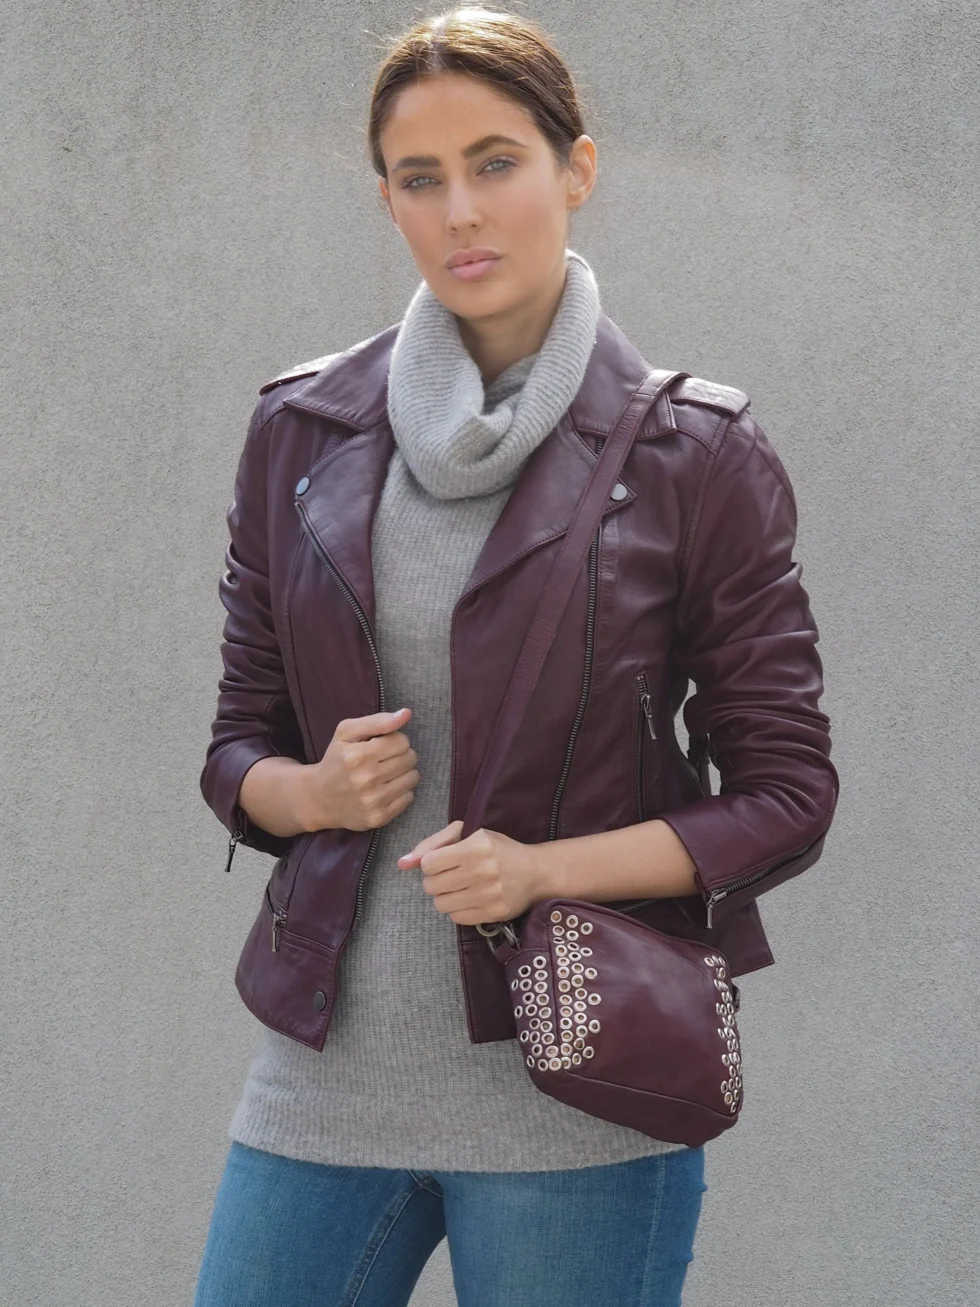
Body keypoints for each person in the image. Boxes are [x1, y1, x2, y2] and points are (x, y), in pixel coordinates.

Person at [192, 8, 838, 1306]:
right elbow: (236, 746)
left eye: (496, 162)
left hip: (583, 1096)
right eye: (419, 177)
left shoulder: (697, 456)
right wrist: (309, 792)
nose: (461, 211)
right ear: (386, 198)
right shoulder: (300, 430)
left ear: (575, 169)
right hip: (326, 1078)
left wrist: (543, 870)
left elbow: (787, 795)